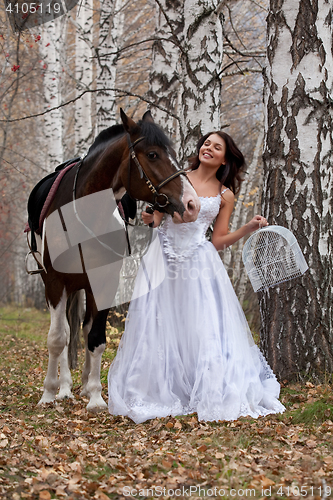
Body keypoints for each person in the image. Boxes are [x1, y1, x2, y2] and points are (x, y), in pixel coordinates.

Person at [108, 131, 285, 423]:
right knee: (158, 322)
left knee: (199, 326)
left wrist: (247, 229)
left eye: (217, 147)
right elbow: (158, 218)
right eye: (206, 143)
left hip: (199, 264)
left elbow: (217, 241)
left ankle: (200, 387)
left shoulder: (225, 194)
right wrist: (152, 219)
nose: (209, 148)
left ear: (225, 158)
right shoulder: (177, 176)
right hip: (162, 257)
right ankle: (155, 387)